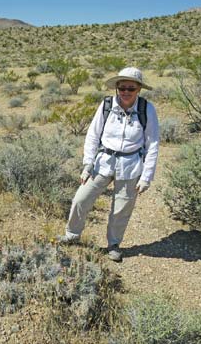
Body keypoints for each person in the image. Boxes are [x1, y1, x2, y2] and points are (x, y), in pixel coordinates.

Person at [57, 67, 159, 262]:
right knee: (81, 198)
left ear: (139, 89)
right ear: (116, 88)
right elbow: (93, 136)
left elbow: (152, 144)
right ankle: (72, 234)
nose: (126, 92)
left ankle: (113, 244)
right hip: (103, 162)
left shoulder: (147, 109)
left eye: (131, 88)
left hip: (130, 166)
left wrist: (147, 177)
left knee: (121, 208)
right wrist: (87, 163)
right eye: (122, 88)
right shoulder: (106, 105)